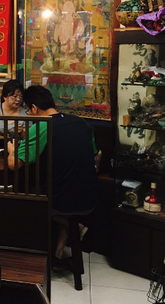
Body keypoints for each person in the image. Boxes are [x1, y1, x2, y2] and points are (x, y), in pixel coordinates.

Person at [7, 85, 100, 262]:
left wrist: (12, 150)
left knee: (24, 199)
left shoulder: (42, 126)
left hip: (62, 200)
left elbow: (13, 164)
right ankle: (58, 252)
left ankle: (30, 257)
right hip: (90, 196)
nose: (28, 115)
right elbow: (97, 155)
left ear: (34, 108)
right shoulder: (81, 123)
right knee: (61, 191)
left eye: (27, 110)